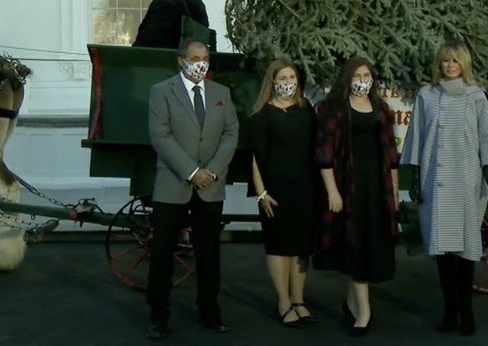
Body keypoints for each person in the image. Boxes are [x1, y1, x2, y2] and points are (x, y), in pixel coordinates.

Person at [399, 40, 488, 336]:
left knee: (466, 249)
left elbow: (486, 137)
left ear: (464, 64)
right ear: (439, 64)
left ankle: (466, 310)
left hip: (467, 182)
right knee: (443, 252)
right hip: (436, 182)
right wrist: (415, 179)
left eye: (455, 61)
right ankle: (449, 310)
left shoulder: (476, 97)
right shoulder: (426, 96)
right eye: (445, 61)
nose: (449, 65)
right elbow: (417, 137)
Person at [144, 38, 239, 339]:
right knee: (162, 254)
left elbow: (230, 133)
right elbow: (161, 137)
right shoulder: (161, 92)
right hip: (173, 185)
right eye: (195, 57)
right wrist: (192, 172)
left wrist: (211, 171)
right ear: (181, 61)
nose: (201, 62)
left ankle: (210, 311)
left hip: (210, 187)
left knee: (209, 254)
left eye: (206, 57)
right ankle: (159, 315)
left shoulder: (221, 93)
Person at [312, 56, 400, 336]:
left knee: (365, 246)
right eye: (357, 75)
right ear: (347, 78)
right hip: (346, 186)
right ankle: (364, 311)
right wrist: (332, 192)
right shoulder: (333, 109)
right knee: (353, 245)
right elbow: (324, 154)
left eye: (367, 75)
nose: (363, 80)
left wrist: (395, 194)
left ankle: (352, 302)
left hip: (376, 187)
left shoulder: (381, 109)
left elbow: (391, 156)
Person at [247, 59, 318, 328]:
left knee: (300, 247)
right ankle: (283, 302)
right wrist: (261, 193)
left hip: (305, 189)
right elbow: (255, 157)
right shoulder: (262, 115)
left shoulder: (306, 110)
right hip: (274, 191)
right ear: (273, 81)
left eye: (292, 77)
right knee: (279, 245)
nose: (288, 82)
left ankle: (299, 300)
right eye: (283, 77)